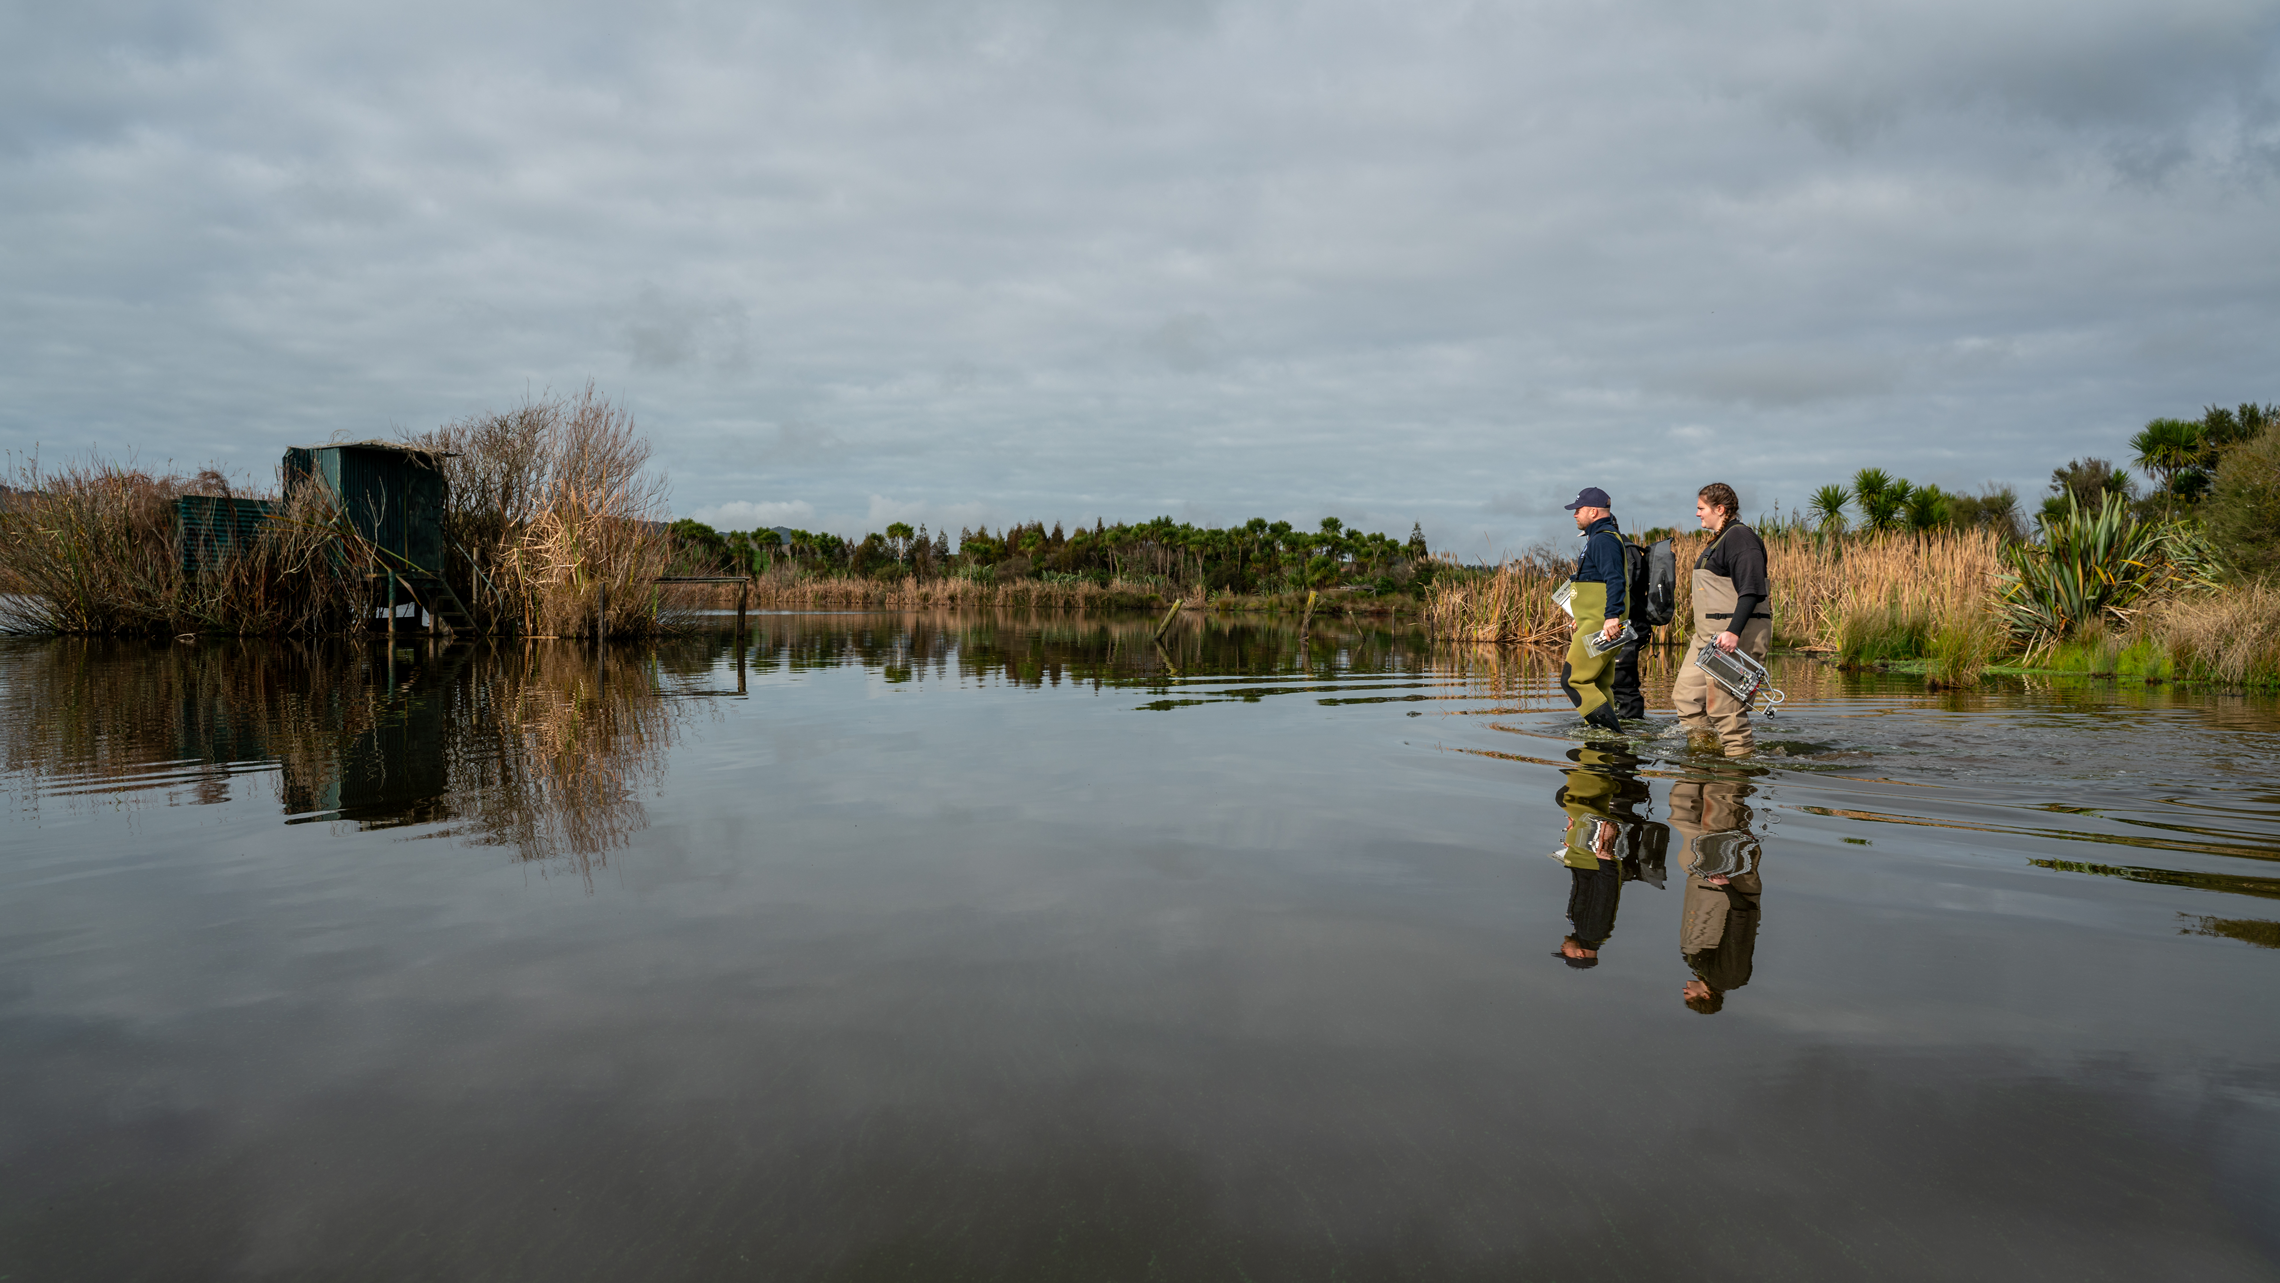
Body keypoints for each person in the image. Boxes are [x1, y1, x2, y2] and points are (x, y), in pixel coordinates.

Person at [1672, 482, 1771, 757]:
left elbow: (1751, 589)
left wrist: (1733, 632)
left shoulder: (1741, 538)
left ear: (1720, 509)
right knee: (1686, 698)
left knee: (1726, 710)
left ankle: (1737, 775)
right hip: (1706, 637)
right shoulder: (1718, 540)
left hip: (1732, 636)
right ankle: (1707, 755)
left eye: (1701, 508)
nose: (1697, 514)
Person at [1668, 773, 1762, 1013]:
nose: (1684, 992)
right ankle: (1731, 768)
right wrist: (1726, 885)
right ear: (1707, 996)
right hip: (1722, 885)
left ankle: (1696, 764)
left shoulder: (1703, 970)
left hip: (1702, 881)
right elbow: (1741, 926)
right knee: (1721, 813)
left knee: (1682, 811)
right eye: (1690, 997)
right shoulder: (1728, 977)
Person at [1558, 487, 1628, 734]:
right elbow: (1596, 584)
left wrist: (1612, 617)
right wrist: (1583, 616)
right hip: (1595, 622)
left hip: (1602, 625)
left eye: (1578, 510)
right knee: (1599, 683)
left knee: (1573, 680)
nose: (1575, 514)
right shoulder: (1598, 539)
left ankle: (1613, 736)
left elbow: (1615, 579)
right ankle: (1605, 742)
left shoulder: (1603, 539)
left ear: (1593, 511)